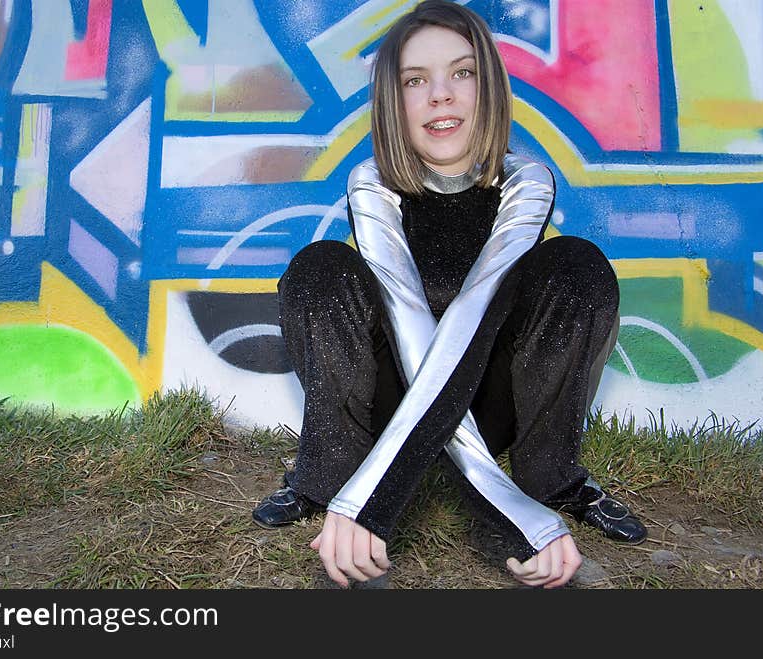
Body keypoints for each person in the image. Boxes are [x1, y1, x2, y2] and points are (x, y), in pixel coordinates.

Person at [252, 0, 647, 589]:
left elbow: (474, 314)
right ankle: (324, 475)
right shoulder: (372, 185)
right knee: (319, 268)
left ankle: (552, 477)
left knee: (576, 265)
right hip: (389, 406)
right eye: (416, 80)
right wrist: (363, 500)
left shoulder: (527, 181)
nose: (441, 95)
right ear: (393, 102)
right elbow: (409, 320)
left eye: (462, 73)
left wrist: (525, 514)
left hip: (490, 405)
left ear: (488, 89)